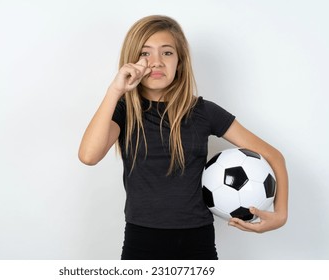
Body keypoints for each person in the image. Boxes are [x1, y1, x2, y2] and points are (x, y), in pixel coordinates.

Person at [78, 15, 288, 260]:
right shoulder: (125, 111)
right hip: (141, 241)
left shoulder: (204, 112)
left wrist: (280, 215)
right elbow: (88, 156)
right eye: (145, 53)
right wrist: (115, 90)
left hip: (197, 242)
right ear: (131, 61)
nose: (156, 62)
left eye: (167, 53)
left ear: (180, 62)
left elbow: (274, 156)